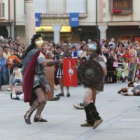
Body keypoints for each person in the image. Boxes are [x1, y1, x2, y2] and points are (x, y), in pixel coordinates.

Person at [22, 34, 63, 124]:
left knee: (45, 98)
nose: (45, 47)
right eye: (43, 45)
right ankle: (27, 114)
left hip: (37, 77)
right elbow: (45, 64)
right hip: (35, 78)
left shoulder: (31, 52)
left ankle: (37, 116)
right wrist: (58, 61)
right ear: (39, 45)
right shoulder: (37, 53)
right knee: (41, 97)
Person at [81, 41, 107, 129]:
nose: (89, 53)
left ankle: (97, 118)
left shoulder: (100, 59)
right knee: (85, 102)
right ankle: (90, 120)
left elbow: (104, 72)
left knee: (86, 101)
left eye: (91, 52)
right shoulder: (93, 59)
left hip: (96, 84)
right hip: (91, 83)